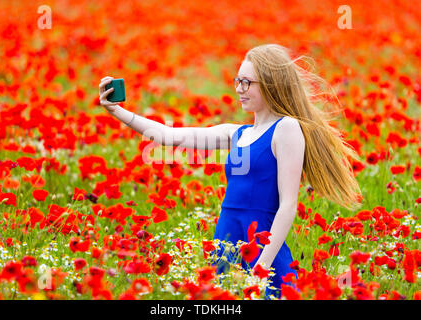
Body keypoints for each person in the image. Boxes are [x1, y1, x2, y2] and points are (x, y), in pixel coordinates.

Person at [98, 43, 362, 299]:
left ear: (271, 85)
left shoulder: (286, 129)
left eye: (247, 83)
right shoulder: (236, 133)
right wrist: (117, 111)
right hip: (227, 237)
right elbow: (169, 135)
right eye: (238, 81)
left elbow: (288, 205)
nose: (240, 89)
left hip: (260, 245)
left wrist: (263, 265)